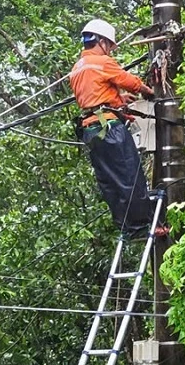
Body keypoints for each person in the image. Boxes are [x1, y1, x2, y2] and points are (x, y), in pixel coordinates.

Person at [69, 19, 168, 237]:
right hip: (109, 127)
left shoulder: (78, 67)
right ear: (102, 41)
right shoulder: (102, 62)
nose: (111, 52)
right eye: (110, 47)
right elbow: (129, 80)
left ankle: (128, 227)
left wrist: (118, 99)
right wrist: (150, 92)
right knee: (129, 175)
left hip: (91, 131)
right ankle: (143, 226)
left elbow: (92, 96)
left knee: (110, 181)